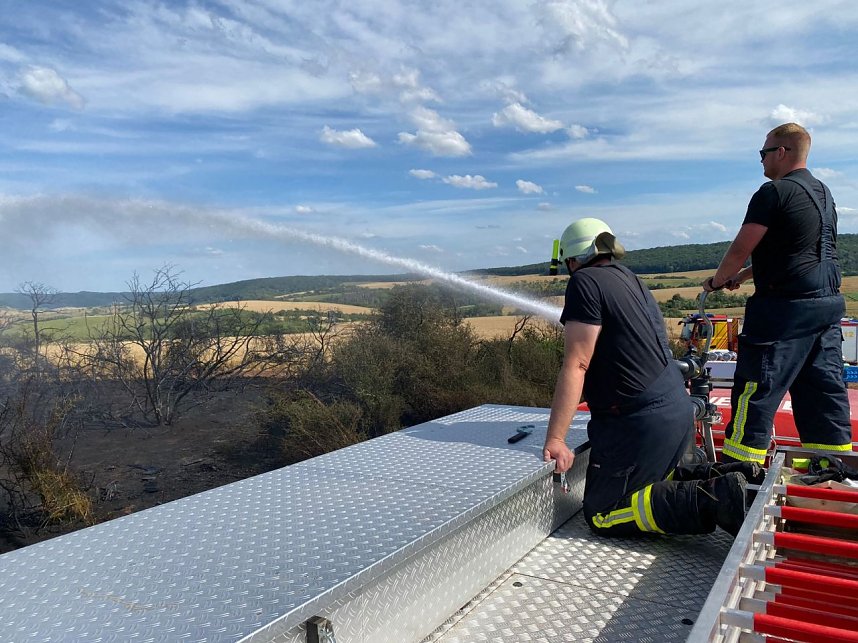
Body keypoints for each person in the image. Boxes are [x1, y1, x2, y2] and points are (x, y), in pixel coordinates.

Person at [543, 217, 763, 537]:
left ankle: (717, 498)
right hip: (675, 408)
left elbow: (577, 364)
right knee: (655, 485)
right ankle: (731, 476)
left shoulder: (584, 282)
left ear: (573, 259)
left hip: (637, 422)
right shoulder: (630, 278)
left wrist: (556, 439)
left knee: (604, 512)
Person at [703, 122, 852, 464]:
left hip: (783, 314)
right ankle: (832, 471)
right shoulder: (823, 193)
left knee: (756, 389)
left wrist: (717, 280)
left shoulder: (773, 192)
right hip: (826, 310)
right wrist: (744, 276)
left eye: (764, 152)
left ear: (781, 152)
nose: (761, 160)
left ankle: (740, 471)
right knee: (823, 393)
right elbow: (799, 251)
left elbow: (741, 247)